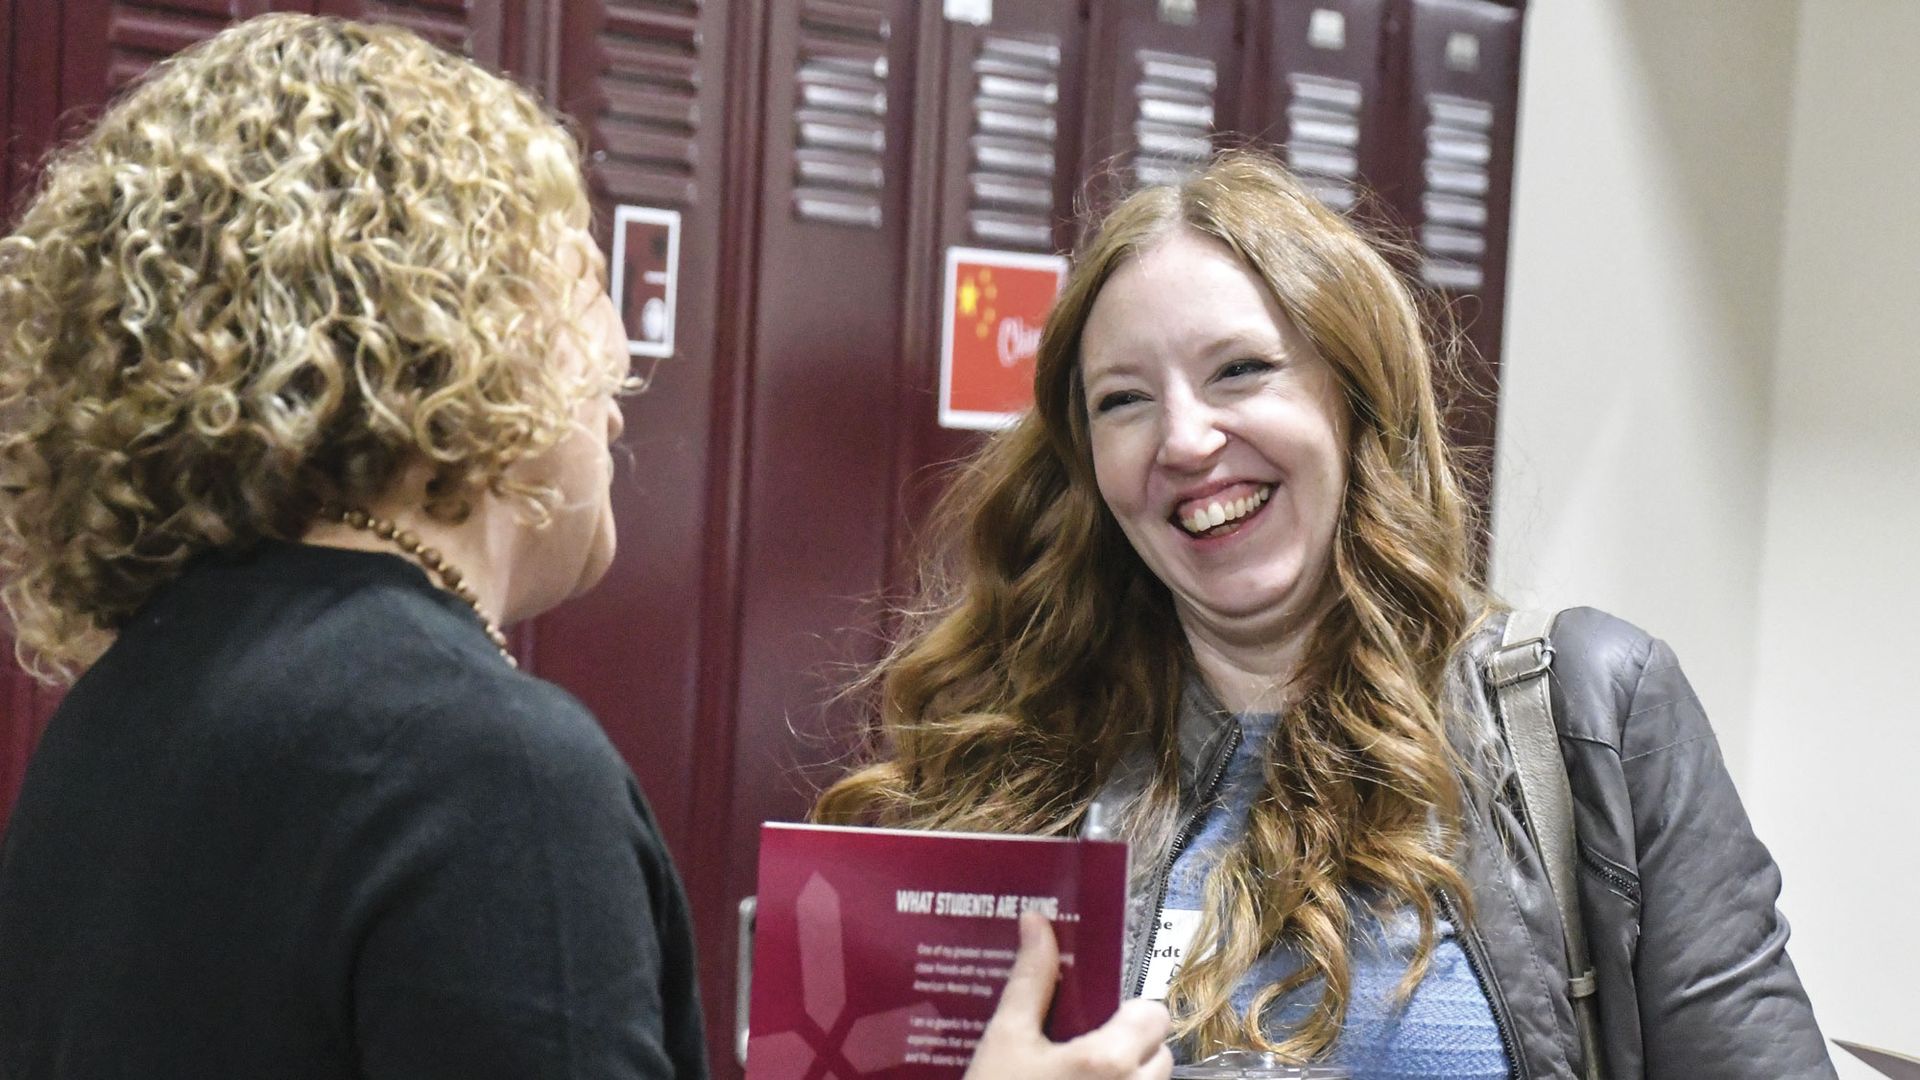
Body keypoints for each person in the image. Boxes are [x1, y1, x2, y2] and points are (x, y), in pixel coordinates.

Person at [0, 15, 1170, 1080]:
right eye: (581, 284)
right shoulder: (477, 770)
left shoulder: (116, 717)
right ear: (455, 336)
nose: (622, 369)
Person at [814, 151, 1837, 1078]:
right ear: (1089, 466)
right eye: (1123, 400)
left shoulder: (1582, 714)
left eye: (1241, 370)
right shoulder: (1017, 765)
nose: (1184, 438)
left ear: (1352, 396)